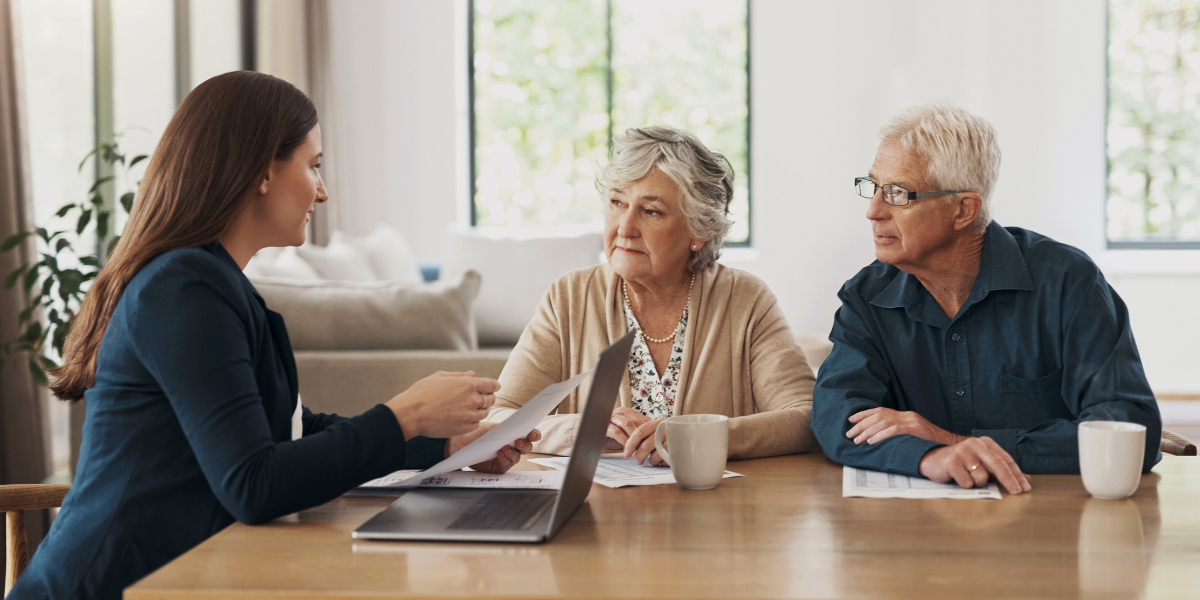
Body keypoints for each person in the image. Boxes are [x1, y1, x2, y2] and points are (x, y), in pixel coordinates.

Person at [10, 72, 537, 600]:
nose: (324, 192)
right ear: (264, 171)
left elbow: (289, 432)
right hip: (108, 587)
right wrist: (404, 416)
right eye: (314, 166)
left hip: (180, 576)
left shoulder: (212, 282)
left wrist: (442, 444)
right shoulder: (183, 288)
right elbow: (252, 485)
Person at [812, 103, 1162, 494]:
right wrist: (929, 457)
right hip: (917, 532)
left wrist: (955, 443)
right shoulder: (867, 297)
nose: (874, 211)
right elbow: (837, 416)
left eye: (897, 193)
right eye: (874, 187)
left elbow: (1132, 430)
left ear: (963, 209)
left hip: (1053, 527)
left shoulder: (1067, 282)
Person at [487, 125, 819, 465]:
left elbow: (805, 418)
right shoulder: (569, 297)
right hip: (599, 511)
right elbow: (498, 418)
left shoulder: (745, 299)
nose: (625, 228)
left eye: (651, 211)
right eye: (617, 202)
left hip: (714, 507)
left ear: (698, 230)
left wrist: (698, 436)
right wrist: (582, 429)